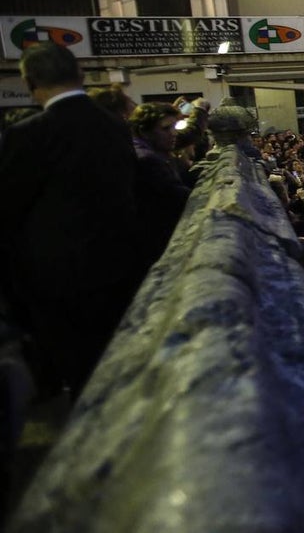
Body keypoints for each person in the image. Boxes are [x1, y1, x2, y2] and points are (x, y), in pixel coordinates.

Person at [0, 43, 141, 396]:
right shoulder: (113, 126)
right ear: (80, 74)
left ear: (31, 83)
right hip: (122, 265)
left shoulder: (28, 134)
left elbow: (9, 212)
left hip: (58, 278)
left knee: (82, 375)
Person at [129, 102, 191, 270]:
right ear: (144, 131)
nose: (174, 134)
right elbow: (180, 197)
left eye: (174, 127)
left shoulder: (151, 153)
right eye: (165, 129)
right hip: (154, 247)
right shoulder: (147, 160)